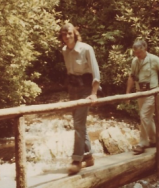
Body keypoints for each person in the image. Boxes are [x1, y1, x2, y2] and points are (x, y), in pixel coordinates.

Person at [59, 23, 101, 175]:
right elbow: (70, 73)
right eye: (64, 34)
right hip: (73, 90)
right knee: (80, 124)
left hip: (86, 90)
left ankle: (77, 159)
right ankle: (88, 157)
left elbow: (96, 72)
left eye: (69, 33)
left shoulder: (86, 49)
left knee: (78, 123)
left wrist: (94, 93)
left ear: (75, 33)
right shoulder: (64, 51)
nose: (67, 37)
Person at [126, 39, 159, 154]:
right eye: (135, 53)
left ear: (145, 49)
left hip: (152, 93)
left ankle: (143, 143)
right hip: (140, 92)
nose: (137, 55)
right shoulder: (135, 61)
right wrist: (128, 93)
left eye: (139, 52)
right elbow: (132, 76)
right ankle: (155, 140)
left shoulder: (154, 59)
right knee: (147, 118)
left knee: (144, 116)